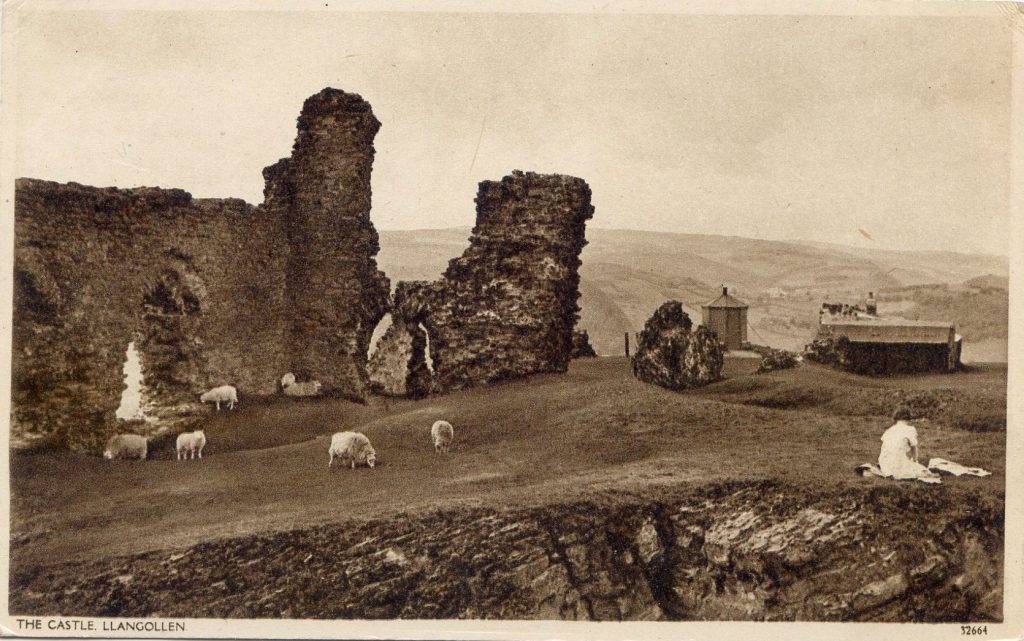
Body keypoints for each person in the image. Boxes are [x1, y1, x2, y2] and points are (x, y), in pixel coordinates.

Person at [878, 406, 939, 481]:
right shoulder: (910, 429)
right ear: (909, 418)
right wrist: (915, 460)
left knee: (904, 464)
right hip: (897, 461)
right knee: (916, 468)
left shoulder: (889, 430)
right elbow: (914, 448)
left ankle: (892, 472)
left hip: (884, 462)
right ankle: (918, 473)